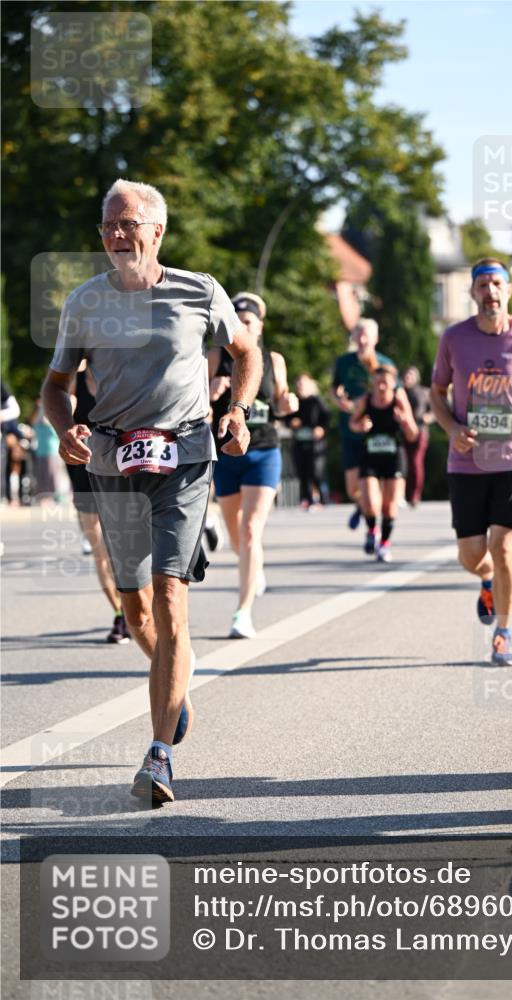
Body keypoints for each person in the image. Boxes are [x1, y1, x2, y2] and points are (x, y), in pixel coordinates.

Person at [42, 178, 262, 805]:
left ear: (157, 231)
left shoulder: (200, 291)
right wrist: (66, 428)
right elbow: (55, 387)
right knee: (135, 608)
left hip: (186, 454)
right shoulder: (85, 302)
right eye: (107, 225)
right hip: (113, 460)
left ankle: (159, 754)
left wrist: (239, 411)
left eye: (127, 223)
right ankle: (174, 682)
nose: (115, 235)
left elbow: (245, 353)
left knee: (170, 594)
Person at [430, 258, 512, 667]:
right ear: (473, 293)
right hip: (467, 459)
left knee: (506, 546)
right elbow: (437, 391)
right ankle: (486, 578)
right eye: (483, 285)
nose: (490, 292)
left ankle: (503, 633)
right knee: (472, 554)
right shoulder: (454, 338)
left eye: (497, 284)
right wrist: (452, 429)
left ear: (509, 291)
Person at [209, 291, 298, 639]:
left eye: (249, 322)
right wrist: (211, 389)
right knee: (236, 535)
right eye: (238, 320)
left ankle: (242, 612)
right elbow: (195, 399)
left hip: (264, 451)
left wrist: (288, 403)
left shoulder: (273, 359)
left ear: (259, 327)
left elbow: (282, 400)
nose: (243, 326)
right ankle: (252, 566)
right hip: (227, 454)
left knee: (250, 531)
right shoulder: (216, 356)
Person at [65, 360, 132, 642]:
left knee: (123, 545)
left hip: (119, 467)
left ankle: (136, 606)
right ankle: (120, 614)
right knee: (99, 549)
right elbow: (59, 406)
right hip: (83, 469)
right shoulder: (72, 378)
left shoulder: (122, 371)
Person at [331, 319, 397, 530]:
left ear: (375, 338)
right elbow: (333, 389)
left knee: (374, 483)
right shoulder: (344, 362)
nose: (361, 339)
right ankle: (363, 507)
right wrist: (339, 401)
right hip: (350, 428)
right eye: (357, 334)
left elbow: (397, 394)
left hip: (378, 433)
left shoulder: (385, 363)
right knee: (353, 489)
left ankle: (372, 520)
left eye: (365, 334)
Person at [349, 365, 418, 562]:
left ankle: (384, 544)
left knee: (389, 506)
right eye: (377, 382)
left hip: (394, 457)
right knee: (370, 502)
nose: (380, 387)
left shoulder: (398, 400)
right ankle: (372, 530)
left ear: (393, 383)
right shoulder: (366, 400)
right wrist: (360, 426)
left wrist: (404, 421)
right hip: (370, 455)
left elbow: (413, 434)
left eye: (385, 383)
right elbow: (352, 423)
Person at [290, 373, 330, 509]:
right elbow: (286, 417)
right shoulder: (294, 401)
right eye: (298, 384)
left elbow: (326, 416)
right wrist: (291, 422)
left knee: (316, 471)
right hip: (299, 442)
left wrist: (321, 428)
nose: (300, 386)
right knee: (302, 470)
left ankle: (323, 499)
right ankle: (306, 499)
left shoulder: (316, 401)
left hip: (315, 443)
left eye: (303, 383)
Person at [401, 366, 432, 507]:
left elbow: (436, 411)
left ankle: (414, 495)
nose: (409, 378)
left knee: (415, 462)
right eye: (407, 376)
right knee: (403, 463)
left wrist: (428, 417)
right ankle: (402, 495)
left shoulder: (425, 393)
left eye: (411, 376)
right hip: (403, 432)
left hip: (420, 431)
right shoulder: (400, 393)